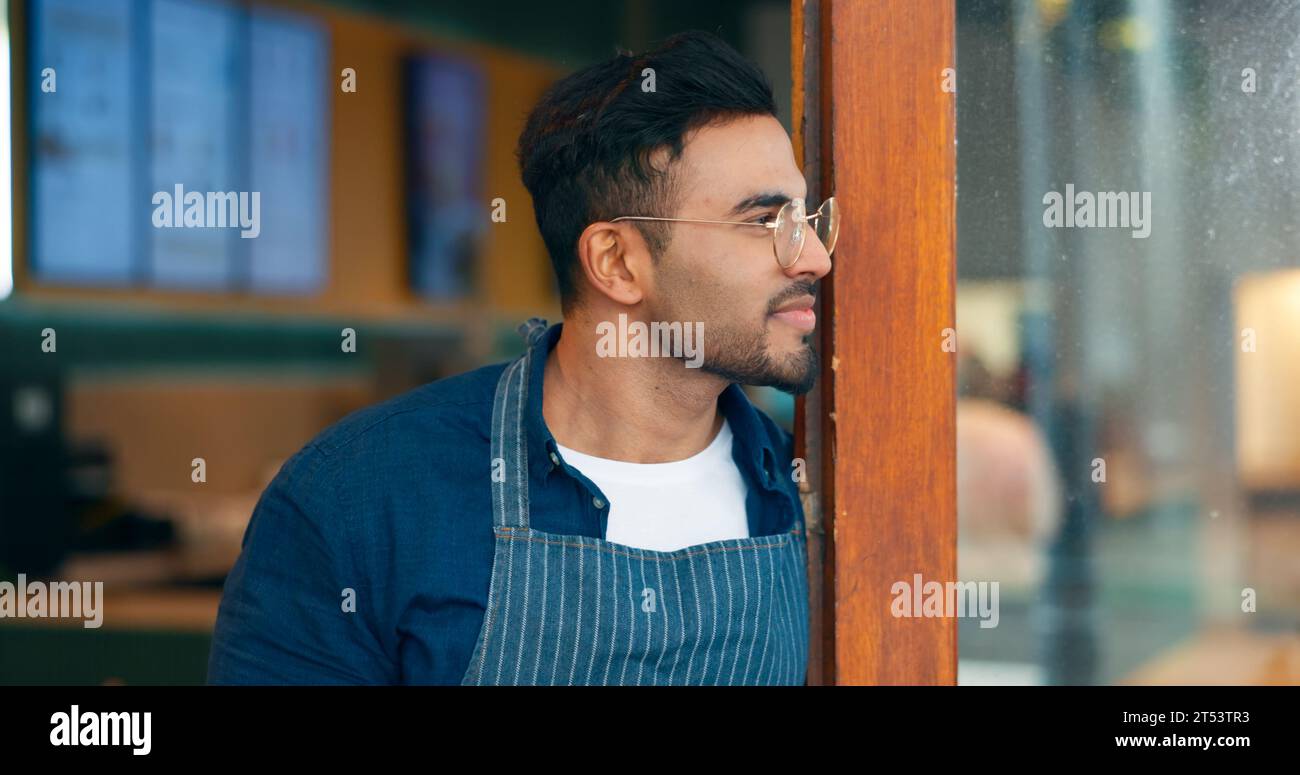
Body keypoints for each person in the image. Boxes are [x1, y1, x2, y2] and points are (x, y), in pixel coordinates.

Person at [207, 29, 836, 685]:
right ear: (617, 262)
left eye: (808, 219)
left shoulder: (812, 498)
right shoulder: (360, 499)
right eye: (766, 222)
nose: (814, 258)